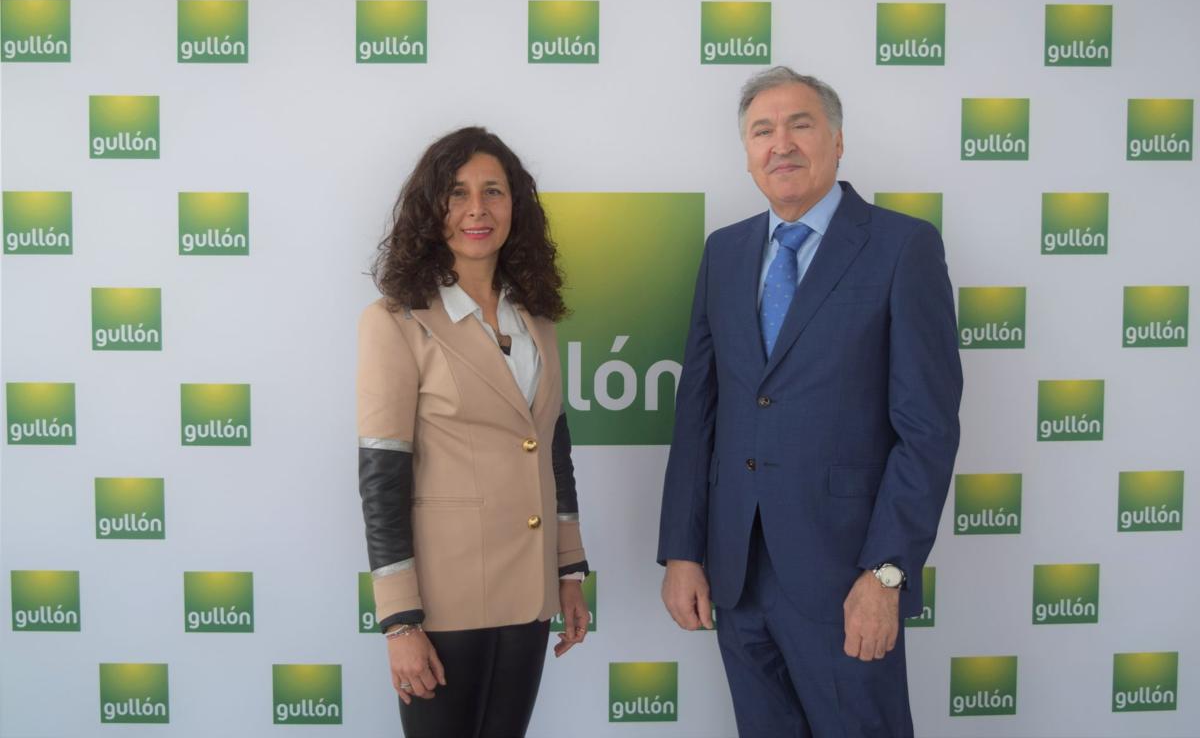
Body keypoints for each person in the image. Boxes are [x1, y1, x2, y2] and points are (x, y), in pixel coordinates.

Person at [657, 67, 962, 737]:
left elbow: (927, 430)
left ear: (837, 139)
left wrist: (885, 573)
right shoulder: (726, 252)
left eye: (800, 124)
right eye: (762, 131)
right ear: (747, 152)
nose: (781, 144)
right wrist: (683, 550)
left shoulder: (902, 248)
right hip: (737, 577)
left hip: (847, 578)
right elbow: (698, 414)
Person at [358, 126, 590, 738]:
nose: (476, 210)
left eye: (494, 191)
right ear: (430, 209)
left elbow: (554, 457)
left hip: (529, 592)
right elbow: (382, 477)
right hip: (442, 601)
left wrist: (570, 573)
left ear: (517, 206)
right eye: (456, 194)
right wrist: (400, 622)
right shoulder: (396, 321)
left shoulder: (538, 319)